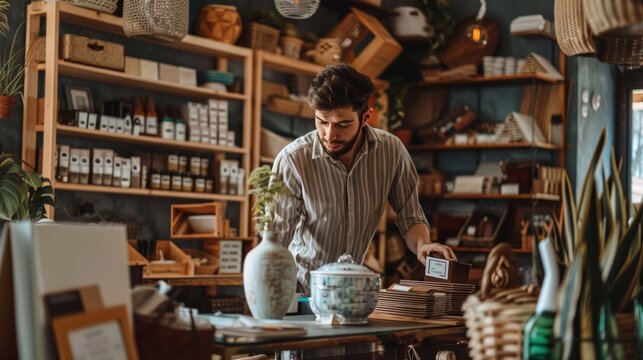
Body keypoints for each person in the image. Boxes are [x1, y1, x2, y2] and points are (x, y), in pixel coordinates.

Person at [272, 63, 457, 294]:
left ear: (366, 117)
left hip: (351, 295)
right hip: (300, 295)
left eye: (342, 124)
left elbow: (410, 216)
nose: (329, 135)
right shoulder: (293, 161)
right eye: (322, 122)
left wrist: (423, 245)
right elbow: (275, 244)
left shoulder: (391, 152)